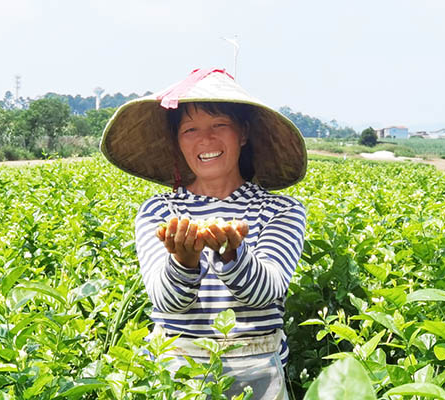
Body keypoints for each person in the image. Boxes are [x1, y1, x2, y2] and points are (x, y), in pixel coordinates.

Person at [100, 68, 307, 399]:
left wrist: (232, 255)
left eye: (219, 126)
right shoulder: (159, 213)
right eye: (190, 129)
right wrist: (184, 261)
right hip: (177, 372)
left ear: (243, 133)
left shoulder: (280, 211)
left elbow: (266, 290)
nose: (205, 140)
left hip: (256, 371)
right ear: (178, 140)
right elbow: (165, 301)